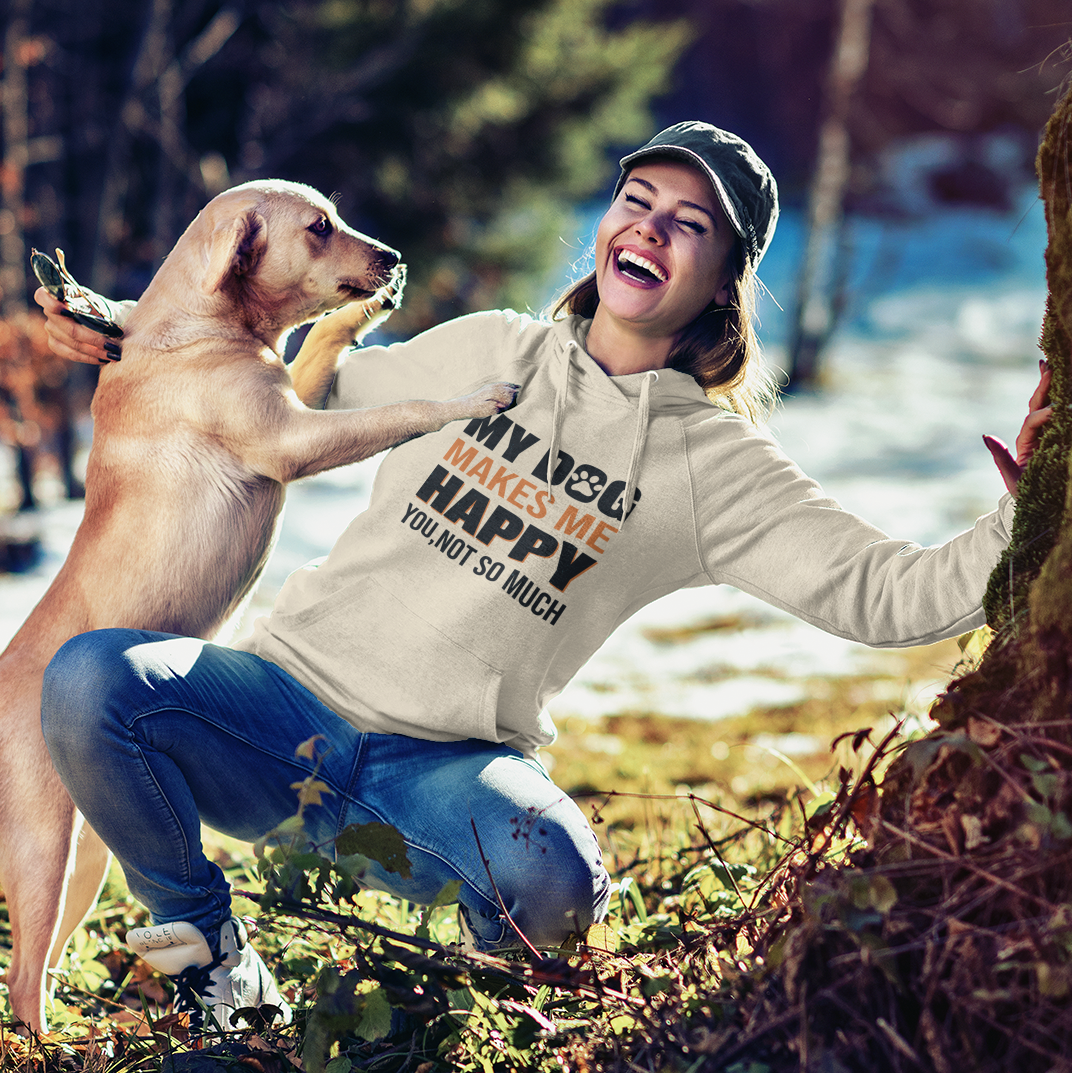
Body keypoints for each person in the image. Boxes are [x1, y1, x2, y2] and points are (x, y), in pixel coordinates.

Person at [35, 122, 1051, 1032]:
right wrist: (132, 330)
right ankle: (214, 960)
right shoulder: (493, 345)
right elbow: (298, 383)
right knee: (89, 679)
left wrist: (1028, 504)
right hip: (273, 717)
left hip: (437, 780)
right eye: (637, 203)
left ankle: (441, 1021)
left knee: (552, 868)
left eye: (687, 223)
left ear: (725, 277)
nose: (648, 230)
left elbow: (888, 594)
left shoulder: (709, 466)